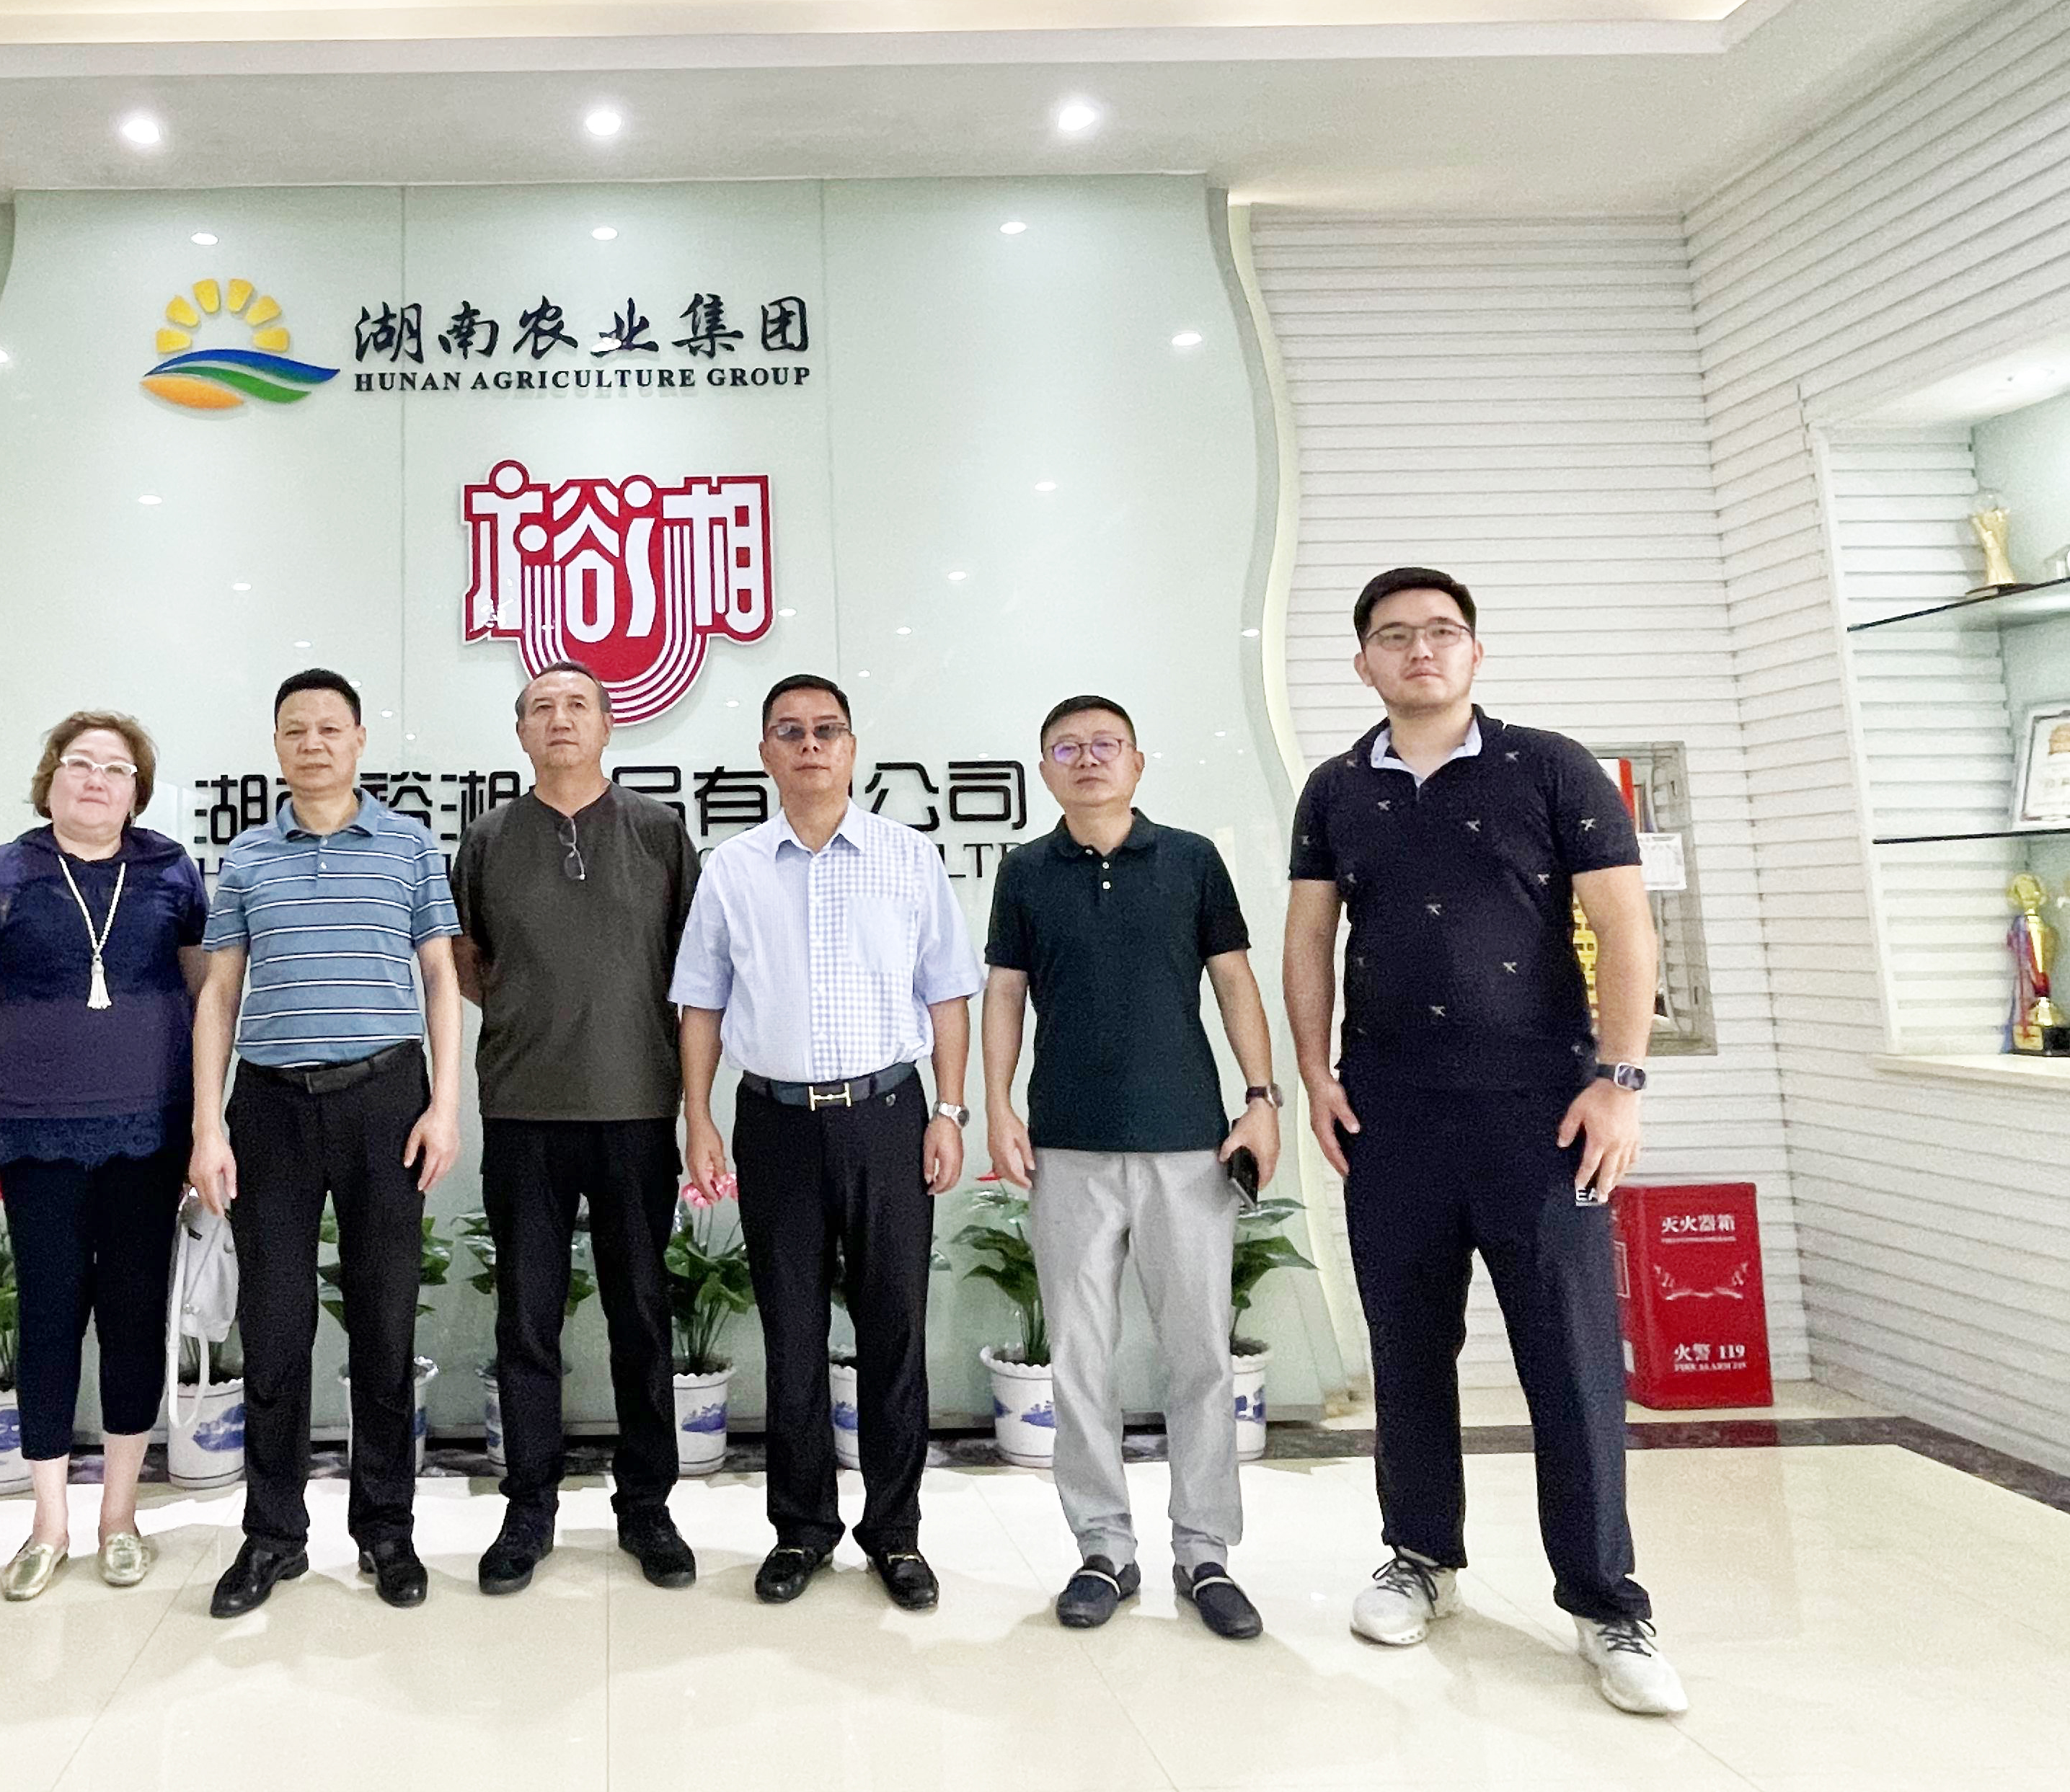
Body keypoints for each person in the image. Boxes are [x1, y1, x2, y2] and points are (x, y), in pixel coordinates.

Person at [1284, 567, 1684, 1716]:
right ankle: (1420, 1557)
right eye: (1394, 636)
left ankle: (1607, 1602)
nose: (1420, 650)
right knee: (1408, 1348)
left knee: (1571, 1357)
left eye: (1442, 631)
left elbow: (1624, 922)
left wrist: (1620, 1081)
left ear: (1475, 652)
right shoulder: (1335, 788)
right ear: (1362, 661)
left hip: (1544, 1114)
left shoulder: (1551, 767)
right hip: (1391, 1112)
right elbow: (1309, 939)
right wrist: (1315, 1073)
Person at [672, 673, 982, 1612]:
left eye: (827, 730)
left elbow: (948, 993)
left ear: (852, 748)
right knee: (793, 1334)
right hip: (773, 1124)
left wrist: (951, 1110)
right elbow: (701, 1004)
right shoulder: (732, 869)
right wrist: (700, 1117)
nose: (810, 745)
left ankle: (895, 1533)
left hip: (889, 1116)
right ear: (765, 753)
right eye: (791, 731)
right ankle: (801, 1529)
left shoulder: (907, 856)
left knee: (893, 1331)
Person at [982, 694, 1277, 1640]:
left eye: (1105, 744)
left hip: (1187, 1145)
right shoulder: (1025, 871)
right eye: (1066, 748)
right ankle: (1102, 1549)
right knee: (1078, 1361)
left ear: (1138, 762)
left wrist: (1262, 1100)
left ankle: (1205, 1553)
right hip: (1067, 1147)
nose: (1088, 759)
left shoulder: (1190, 860)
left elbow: (1234, 980)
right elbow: (1004, 994)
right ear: (1045, 770)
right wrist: (999, 1106)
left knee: (1199, 1357)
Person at [187, 669, 465, 1617]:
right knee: (275, 1326)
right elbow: (219, 994)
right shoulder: (248, 856)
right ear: (277, 746)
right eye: (295, 730)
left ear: (358, 741)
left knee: (385, 1322)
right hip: (270, 1107)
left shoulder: (409, 845)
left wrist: (444, 1106)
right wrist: (208, 1124)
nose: (313, 743)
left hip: (387, 1101)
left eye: (330, 728)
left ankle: (387, 1530)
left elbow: (441, 980)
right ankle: (273, 1534)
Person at [0, 711, 206, 1600]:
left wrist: (209, 1129)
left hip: (149, 1135)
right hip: (35, 1136)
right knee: (47, 1318)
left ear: (137, 792)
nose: (95, 779)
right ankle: (48, 1523)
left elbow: (211, 1008)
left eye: (117, 769)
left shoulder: (170, 872)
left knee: (133, 1319)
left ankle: (120, 1517)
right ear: (49, 779)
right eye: (79, 763)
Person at [451, 662, 702, 1595]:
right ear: (521, 733)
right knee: (527, 1319)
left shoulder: (659, 834)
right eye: (541, 708)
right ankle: (529, 1507)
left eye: (577, 706)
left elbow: (694, 969)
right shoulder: (487, 840)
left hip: (637, 1105)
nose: (559, 719)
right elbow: (465, 959)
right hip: (524, 1110)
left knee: (641, 1315)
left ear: (608, 723)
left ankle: (648, 1507)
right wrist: (528, 1011)